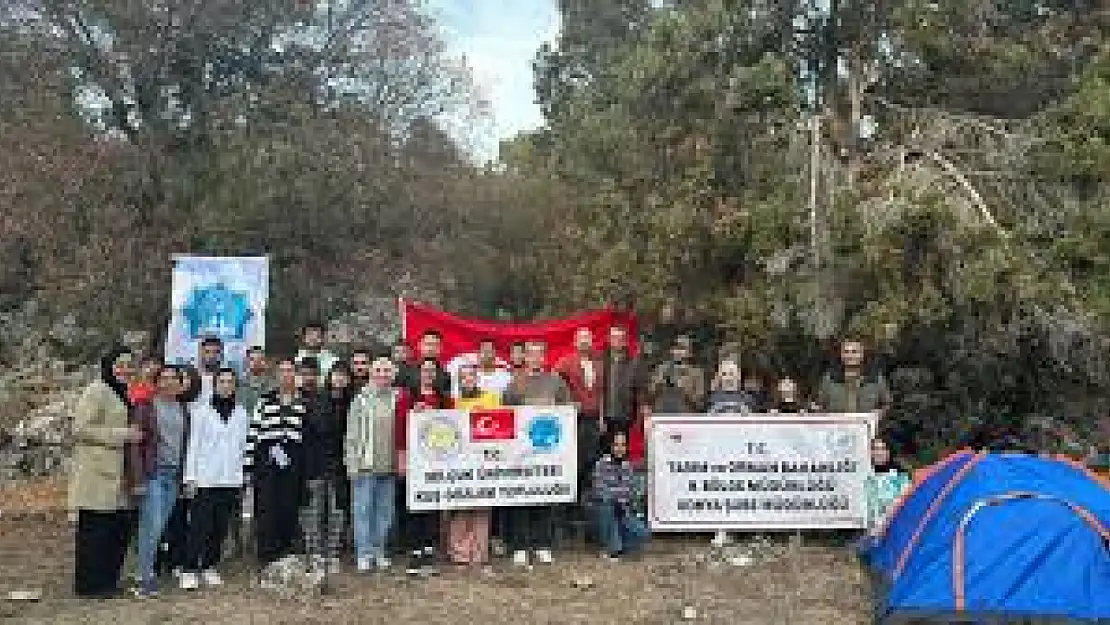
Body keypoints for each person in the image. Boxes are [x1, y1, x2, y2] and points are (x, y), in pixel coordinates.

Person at [70, 347, 142, 598]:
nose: (124, 369)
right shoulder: (97, 390)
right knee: (95, 531)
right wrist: (121, 435)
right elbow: (80, 429)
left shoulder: (123, 392)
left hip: (120, 475)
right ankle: (90, 586)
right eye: (119, 365)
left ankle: (109, 580)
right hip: (97, 474)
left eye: (128, 365)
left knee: (116, 528)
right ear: (109, 366)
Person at [502, 339, 572, 567]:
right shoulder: (515, 382)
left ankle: (542, 544)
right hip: (522, 452)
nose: (535, 358)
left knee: (544, 496)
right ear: (525, 357)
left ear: (544, 357)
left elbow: (567, 410)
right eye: (531, 354)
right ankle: (520, 546)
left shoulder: (556, 382)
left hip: (549, 451)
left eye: (539, 354)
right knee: (522, 498)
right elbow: (506, 413)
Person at [181, 367, 249, 590]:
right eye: (222, 381)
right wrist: (190, 478)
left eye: (230, 382)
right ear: (215, 384)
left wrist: (242, 477)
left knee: (220, 528)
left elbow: (243, 447)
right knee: (199, 527)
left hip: (230, 480)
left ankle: (209, 565)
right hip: (205, 479)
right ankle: (189, 569)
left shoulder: (242, 413)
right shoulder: (201, 412)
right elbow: (193, 447)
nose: (226, 385)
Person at [245, 358, 308, 583]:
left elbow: (305, 433)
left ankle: (286, 549)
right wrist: (249, 463)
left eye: (290, 371)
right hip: (266, 455)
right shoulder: (265, 399)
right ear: (276, 375)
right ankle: (267, 553)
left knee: (289, 504)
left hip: (293, 457)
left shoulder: (303, 400)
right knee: (266, 505)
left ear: (295, 374)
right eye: (281, 371)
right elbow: (253, 431)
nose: (286, 375)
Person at [345, 353, 410, 572]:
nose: (383, 375)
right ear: (371, 374)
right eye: (378, 371)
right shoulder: (360, 399)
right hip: (365, 465)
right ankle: (363, 553)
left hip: (389, 465)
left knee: (385, 512)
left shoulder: (399, 399)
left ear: (393, 375)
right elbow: (351, 435)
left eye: (387, 371)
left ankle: (379, 550)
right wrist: (352, 463)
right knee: (363, 511)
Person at [131, 362, 190, 597]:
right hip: (153, 474)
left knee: (161, 525)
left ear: (180, 383)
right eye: (163, 378)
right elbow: (135, 445)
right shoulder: (146, 407)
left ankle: (145, 570)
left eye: (173, 378)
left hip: (174, 475)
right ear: (156, 382)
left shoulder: (183, 409)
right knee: (151, 526)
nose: (168, 382)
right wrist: (138, 478)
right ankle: (145, 578)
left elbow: (184, 445)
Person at [300, 362, 354, 582]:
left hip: (341, 466)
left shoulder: (352, 402)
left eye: (344, 376)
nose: (340, 379)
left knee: (336, 512)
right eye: (336, 375)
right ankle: (314, 553)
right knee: (313, 512)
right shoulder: (316, 400)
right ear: (329, 377)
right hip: (315, 464)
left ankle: (332, 554)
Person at [554, 327, 605, 538]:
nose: (585, 342)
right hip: (574, 420)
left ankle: (585, 517)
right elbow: (555, 385)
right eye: (581, 339)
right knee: (574, 465)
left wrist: (602, 417)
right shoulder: (565, 362)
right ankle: (565, 516)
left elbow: (601, 392)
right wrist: (566, 403)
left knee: (591, 465)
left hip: (593, 419)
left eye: (588, 338)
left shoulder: (599, 363)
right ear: (575, 342)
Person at [404, 358, 452, 575]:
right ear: (419, 373)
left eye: (433, 370)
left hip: (438, 460)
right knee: (416, 503)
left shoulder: (445, 399)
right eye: (425, 370)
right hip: (415, 459)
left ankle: (429, 548)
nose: (429, 374)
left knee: (433, 504)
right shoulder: (407, 397)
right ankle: (414, 550)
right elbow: (399, 426)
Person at [446, 364, 497, 566]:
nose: (468, 380)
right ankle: (459, 552)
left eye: (471, 376)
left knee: (482, 506)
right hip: (460, 461)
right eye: (464, 377)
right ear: (459, 381)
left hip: (484, 458)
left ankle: (479, 552)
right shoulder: (454, 403)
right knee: (461, 506)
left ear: (477, 378)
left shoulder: (491, 399)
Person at [592, 431, 649, 561]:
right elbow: (600, 490)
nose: (619, 448)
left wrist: (617, 494)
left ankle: (619, 546)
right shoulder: (601, 464)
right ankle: (612, 549)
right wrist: (618, 496)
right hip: (606, 509)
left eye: (623, 445)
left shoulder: (627, 466)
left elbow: (631, 491)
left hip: (624, 510)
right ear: (611, 446)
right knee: (606, 507)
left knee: (644, 533)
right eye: (616, 444)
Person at [816, 338, 892, 419]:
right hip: (837, 428)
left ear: (862, 355)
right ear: (841, 355)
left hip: (866, 428)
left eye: (854, 352)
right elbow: (820, 405)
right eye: (846, 352)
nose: (850, 356)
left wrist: (880, 413)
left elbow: (887, 405)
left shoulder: (875, 379)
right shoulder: (830, 379)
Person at [648, 334, 706, 414]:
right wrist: (660, 384)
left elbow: (700, 402)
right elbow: (650, 394)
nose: (678, 352)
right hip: (661, 414)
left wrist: (685, 391)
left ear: (690, 352)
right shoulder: (661, 369)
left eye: (682, 349)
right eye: (675, 348)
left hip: (684, 416)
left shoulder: (696, 372)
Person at [865, 437, 910, 534]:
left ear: (888, 452)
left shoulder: (900, 476)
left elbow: (904, 501)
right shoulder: (866, 476)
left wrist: (886, 520)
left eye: (882, 449)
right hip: (872, 531)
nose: (878, 453)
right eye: (875, 449)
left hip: (895, 529)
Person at [601, 324, 639, 437]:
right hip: (605, 415)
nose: (617, 341)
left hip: (625, 415)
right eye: (614, 337)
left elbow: (638, 389)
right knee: (605, 450)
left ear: (625, 341)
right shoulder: (601, 361)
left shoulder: (633, 363)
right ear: (609, 340)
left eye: (620, 338)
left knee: (621, 449)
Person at [238, 346, 271, 416]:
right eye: (252, 359)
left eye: (260, 359)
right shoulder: (238, 386)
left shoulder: (273, 386)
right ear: (246, 362)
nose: (256, 363)